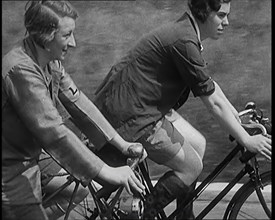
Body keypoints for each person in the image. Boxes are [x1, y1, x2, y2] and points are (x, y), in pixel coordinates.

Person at [94, 0, 272, 219]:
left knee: (198, 144)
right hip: (134, 115)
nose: (227, 22)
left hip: (144, 105)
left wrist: (235, 116)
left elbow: (209, 85)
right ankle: (144, 215)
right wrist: (246, 139)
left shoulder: (186, 33)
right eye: (222, 15)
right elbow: (212, 103)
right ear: (205, 12)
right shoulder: (184, 42)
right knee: (191, 167)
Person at [2, 1, 146, 220]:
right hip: (9, 172)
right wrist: (107, 172)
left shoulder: (49, 61)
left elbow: (78, 102)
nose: (74, 42)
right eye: (67, 35)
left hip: (28, 162)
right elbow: (53, 132)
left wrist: (121, 144)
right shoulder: (20, 70)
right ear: (44, 36)